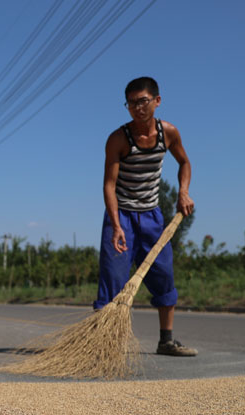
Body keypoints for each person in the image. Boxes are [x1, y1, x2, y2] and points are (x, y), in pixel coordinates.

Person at [97, 76, 197, 356]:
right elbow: (109, 185)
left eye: (142, 101)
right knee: (113, 278)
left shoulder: (169, 133)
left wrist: (183, 192)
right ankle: (105, 345)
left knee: (164, 274)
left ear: (157, 101)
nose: (137, 108)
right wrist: (116, 226)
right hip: (122, 217)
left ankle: (166, 341)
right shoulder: (118, 139)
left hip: (152, 217)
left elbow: (185, 163)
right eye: (131, 104)